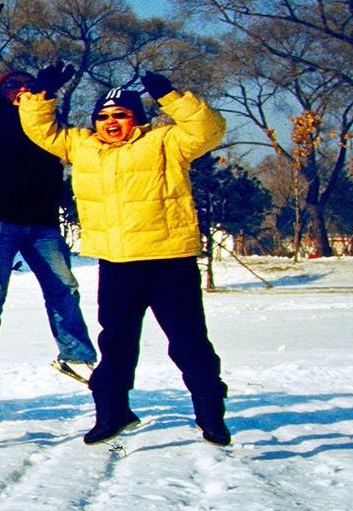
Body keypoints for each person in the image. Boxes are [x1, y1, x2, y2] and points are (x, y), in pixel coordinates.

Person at [19, 73, 232, 445]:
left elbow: (208, 130)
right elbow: (39, 129)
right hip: (117, 265)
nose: (111, 123)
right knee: (116, 343)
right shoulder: (80, 145)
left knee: (188, 342)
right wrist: (42, 94)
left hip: (169, 261)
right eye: (103, 116)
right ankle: (113, 412)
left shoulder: (166, 141)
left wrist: (170, 96)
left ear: (137, 119)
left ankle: (210, 413)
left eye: (120, 115)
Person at [0, 0, 97, 402]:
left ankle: (76, 355)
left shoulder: (46, 122)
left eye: (29, 86)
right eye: (12, 85)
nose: (21, 90)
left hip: (42, 221)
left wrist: (43, 97)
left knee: (65, 286)